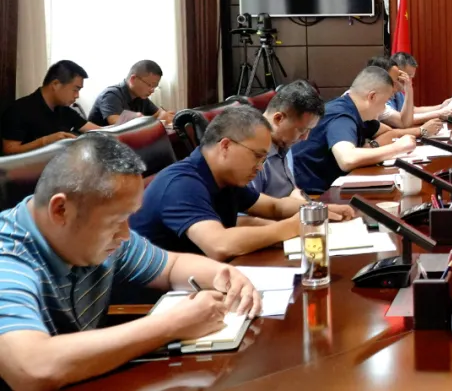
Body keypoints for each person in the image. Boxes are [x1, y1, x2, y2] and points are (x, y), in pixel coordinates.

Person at [0, 134, 262, 389]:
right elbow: (32, 368)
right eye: (115, 221)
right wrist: (172, 325)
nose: (126, 234)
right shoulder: (8, 258)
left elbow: (171, 267)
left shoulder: (95, 236)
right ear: (61, 210)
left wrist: (224, 274)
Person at [130, 106, 355, 260]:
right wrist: (293, 226)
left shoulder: (224, 177)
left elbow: (274, 207)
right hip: (162, 300)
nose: (260, 167)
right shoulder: (182, 184)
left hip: (204, 282)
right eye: (257, 156)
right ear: (225, 146)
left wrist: (317, 209)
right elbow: (220, 245)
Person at [290, 67, 418, 194]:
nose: (384, 108)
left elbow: (388, 132)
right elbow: (347, 160)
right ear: (372, 97)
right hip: (312, 196)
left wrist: (372, 146)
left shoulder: (357, 111)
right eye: (385, 102)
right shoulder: (341, 116)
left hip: (332, 188)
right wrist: (397, 148)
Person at [1, 60, 101, 155]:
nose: (77, 96)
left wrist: (109, 130)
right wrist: (45, 141)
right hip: (31, 166)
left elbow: (95, 130)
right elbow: (9, 151)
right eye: (75, 90)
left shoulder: (64, 109)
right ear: (55, 84)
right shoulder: (19, 110)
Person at [248, 80, 323, 199]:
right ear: (278, 119)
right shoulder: (250, 152)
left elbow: (289, 190)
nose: (305, 138)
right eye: (301, 130)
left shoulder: (283, 142)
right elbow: (247, 208)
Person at [366, 55, 448, 132]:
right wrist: (423, 130)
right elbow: (398, 127)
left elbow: (404, 122)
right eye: (394, 81)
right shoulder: (371, 100)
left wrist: (409, 88)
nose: (408, 80)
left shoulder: (383, 102)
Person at [88, 60, 176, 127]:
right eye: (150, 85)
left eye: (155, 86)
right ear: (133, 79)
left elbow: (160, 114)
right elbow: (116, 122)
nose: (152, 90)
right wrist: (154, 119)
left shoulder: (141, 97)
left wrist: (163, 116)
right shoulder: (111, 95)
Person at [390, 52, 452, 118]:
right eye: (408, 76)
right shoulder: (385, 94)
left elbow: (412, 110)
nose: (409, 81)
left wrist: (441, 106)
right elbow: (401, 120)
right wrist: (439, 113)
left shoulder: (398, 93)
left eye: (411, 77)